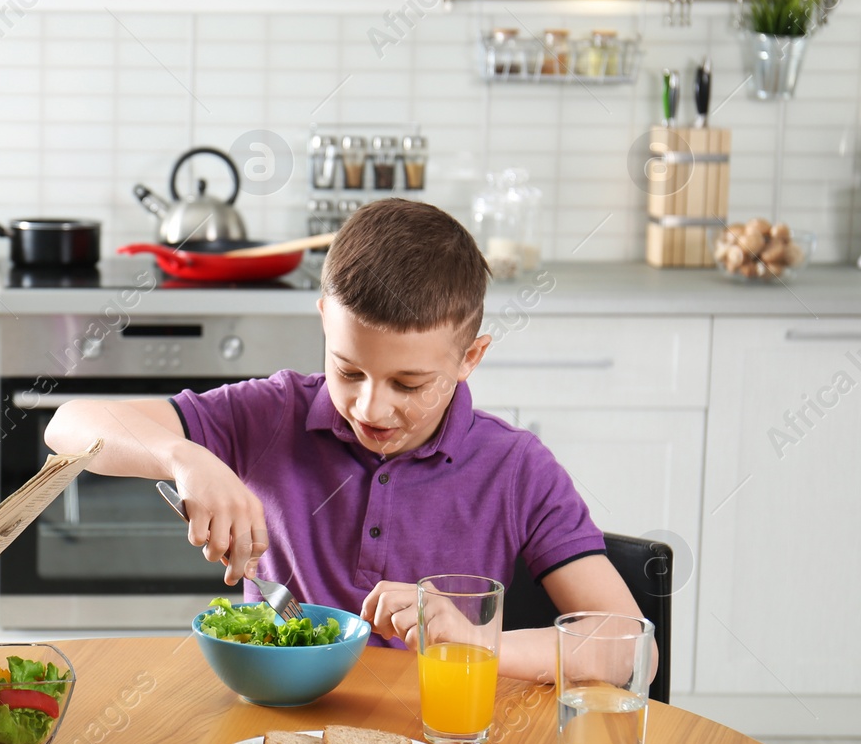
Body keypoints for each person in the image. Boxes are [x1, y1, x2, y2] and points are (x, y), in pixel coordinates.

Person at [45, 198, 643, 683]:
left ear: (470, 358)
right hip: (271, 736)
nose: (368, 407)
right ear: (325, 317)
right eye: (348, 370)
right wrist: (183, 456)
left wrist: (475, 641)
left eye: (409, 383)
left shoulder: (516, 469)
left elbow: (624, 648)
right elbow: (68, 424)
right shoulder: (271, 413)